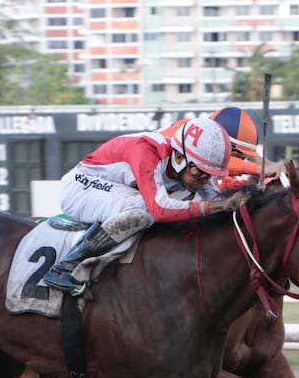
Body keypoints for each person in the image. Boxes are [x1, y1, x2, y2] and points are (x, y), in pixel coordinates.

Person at [42, 116, 248, 295]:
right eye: (199, 172)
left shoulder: (192, 164)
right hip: (81, 187)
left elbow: (220, 203)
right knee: (144, 210)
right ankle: (66, 267)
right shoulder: (147, 151)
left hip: (116, 191)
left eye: (210, 174)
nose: (205, 180)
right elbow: (160, 210)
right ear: (179, 157)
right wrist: (217, 206)